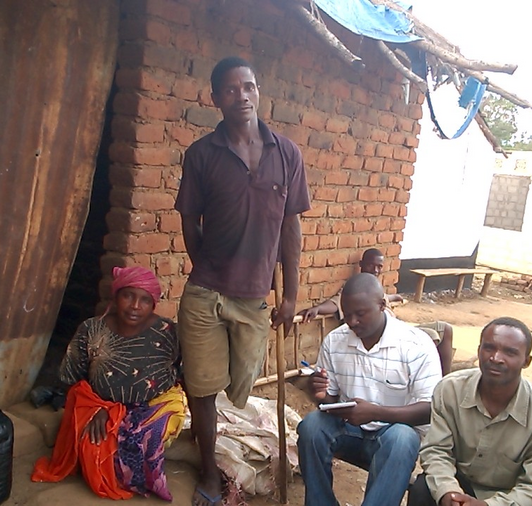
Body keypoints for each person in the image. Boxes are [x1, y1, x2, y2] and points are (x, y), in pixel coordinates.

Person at [174, 56, 311, 506]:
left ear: (259, 92)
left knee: (242, 381)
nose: (242, 96)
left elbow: (291, 228)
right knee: (201, 385)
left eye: (248, 87)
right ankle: (209, 472)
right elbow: (189, 220)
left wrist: (290, 295)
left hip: (255, 297)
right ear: (215, 98)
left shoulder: (286, 153)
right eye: (230, 90)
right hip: (205, 294)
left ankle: (214, 431)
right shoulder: (201, 154)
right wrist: (205, 266)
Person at [31, 266, 186, 501]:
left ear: (153, 304)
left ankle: (145, 480)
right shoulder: (91, 329)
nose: (135, 306)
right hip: (100, 404)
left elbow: (182, 373)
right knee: (93, 447)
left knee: (146, 436)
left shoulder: (167, 332)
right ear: (116, 296)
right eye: (128, 296)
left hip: (156, 403)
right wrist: (98, 408)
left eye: (144, 300)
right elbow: (74, 380)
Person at [297, 273, 443, 506]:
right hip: (350, 431)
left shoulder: (415, 345)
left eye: (360, 314)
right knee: (312, 426)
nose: (352, 322)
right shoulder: (335, 341)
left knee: (403, 437)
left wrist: (375, 413)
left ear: (382, 305)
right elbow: (330, 401)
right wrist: (322, 396)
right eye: (347, 315)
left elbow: (430, 409)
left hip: (392, 438)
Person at [410, 317, 532, 506]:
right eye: (489, 347)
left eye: (510, 352)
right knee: (423, 489)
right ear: (479, 350)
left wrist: (488, 505)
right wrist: (448, 492)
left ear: (526, 361)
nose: (496, 358)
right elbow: (436, 450)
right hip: (457, 484)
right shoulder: (450, 390)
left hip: (507, 498)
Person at [298, 247, 454, 374]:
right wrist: (317, 309)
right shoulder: (355, 291)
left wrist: (394, 297)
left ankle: (442, 380)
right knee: (431, 337)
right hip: (389, 339)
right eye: (371, 265)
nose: (375, 270)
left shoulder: (375, 288)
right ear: (361, 264)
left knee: (445, 328)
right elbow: (335, 303)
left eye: (379, 266)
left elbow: (383, 298)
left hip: (400, 329)